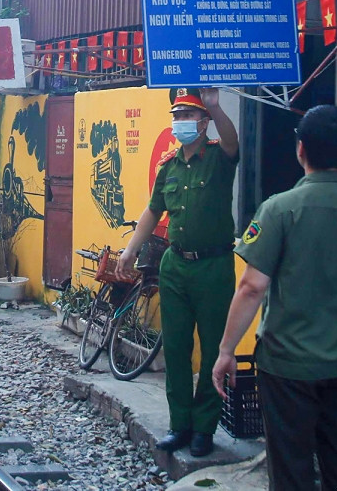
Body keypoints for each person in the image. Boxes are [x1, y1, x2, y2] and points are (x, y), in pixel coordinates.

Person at [212, 105, 337, 491]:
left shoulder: (278, 210)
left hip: (287, 367)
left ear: (300, 150)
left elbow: (252, 287)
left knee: (291, 471)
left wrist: (227, 350)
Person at [116, 87, 239, 458]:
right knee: (177, 346)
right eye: (177, 116)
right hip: (175, 265)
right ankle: (179, 425)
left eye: (188, 116)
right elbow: (153, 211)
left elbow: (233, 141)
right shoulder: (168, 166)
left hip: (213, 266)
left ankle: (204, 428)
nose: (180, 122)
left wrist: (216, 107)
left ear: (203, 123)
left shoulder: (219, 157)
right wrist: (130, 250)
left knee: (215, 345)